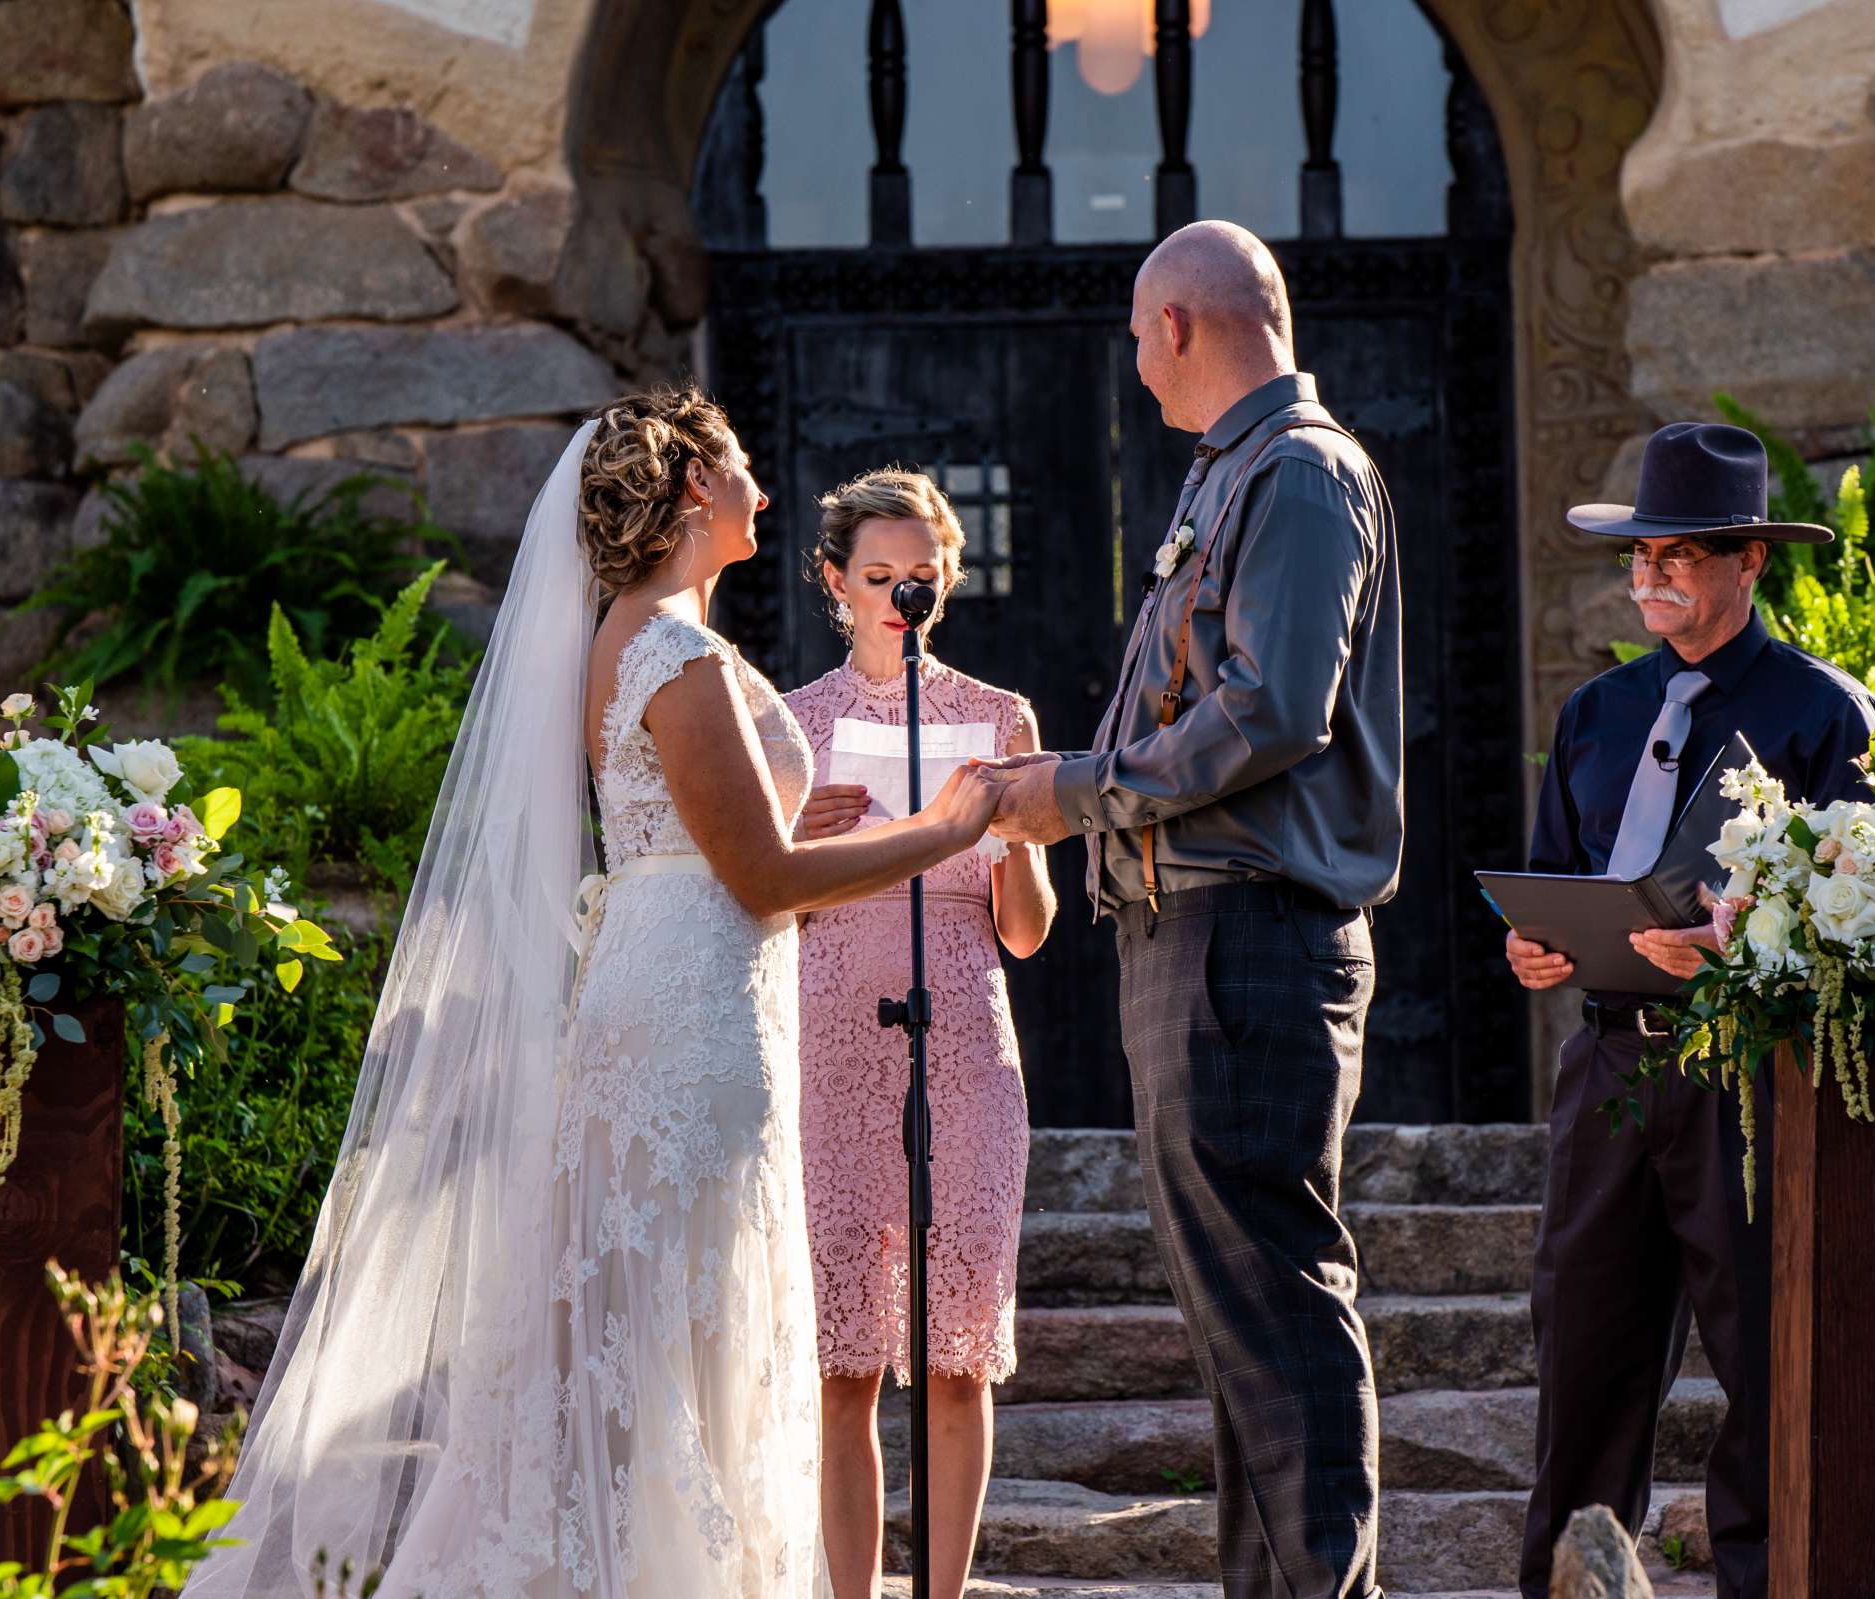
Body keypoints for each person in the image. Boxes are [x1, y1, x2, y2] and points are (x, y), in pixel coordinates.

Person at [185, 388, 1000, 1599]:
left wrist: (796, 832)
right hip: (687, 1026)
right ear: (686, 493)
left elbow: (722, 856)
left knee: (666, 1330)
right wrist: (950, 827)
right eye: (735, 471)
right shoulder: (671, 647)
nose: (760, 491)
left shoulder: (644, 634)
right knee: (671, 1330)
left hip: (691, 988)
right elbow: (761, 876)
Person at [983, 219, 1403, 1599]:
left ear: (1178, 324)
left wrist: (1082, 790)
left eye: (1135, 335)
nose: (1135, 366)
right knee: (1242, 1326)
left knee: (1275, 1303)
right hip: (1197, 927)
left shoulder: (1294, 470)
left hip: (1251, 936)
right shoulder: (1233, 473)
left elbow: (1276, 706)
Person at [1508, 420, 1875, 1599]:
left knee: (1771, 1361)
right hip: (1611, 1069)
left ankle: (1768, 1584)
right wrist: (1536, 945)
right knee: (1583, 1354)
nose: (1653, 575)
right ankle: (1573, 1583)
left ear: (1751, 562)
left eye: (1681, 553)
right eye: (1640, 554)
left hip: (1752, 1083)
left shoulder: (1825, 713)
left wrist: (1742, 938)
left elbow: (1864, 919)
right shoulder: (1597, 712)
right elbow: (1556, 879)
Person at [783, 469, 1058, 1599]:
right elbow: (763, 910)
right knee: (844, 1361)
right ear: (840, 584)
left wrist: (1012, 833)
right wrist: (798, 838)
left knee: (956, 1356)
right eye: (879, 575)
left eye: (922, 575)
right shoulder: (791, 722)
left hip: (964, 1040)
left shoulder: (1001, 718)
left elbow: (1031, 934)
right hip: (831, 1031)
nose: (902, 593)